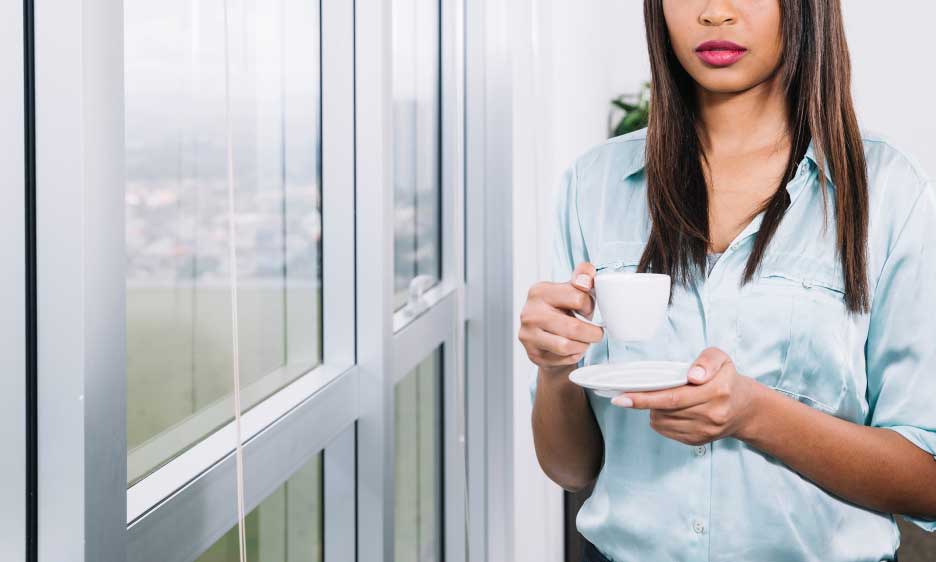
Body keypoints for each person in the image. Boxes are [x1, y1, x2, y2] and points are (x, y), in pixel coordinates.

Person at [519, 1, 936, 561]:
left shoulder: (889, 191)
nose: (715, 12)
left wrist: (754, 413)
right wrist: (554, 370)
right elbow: (570, 468)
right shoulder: (592, 185)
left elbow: (926, 480)